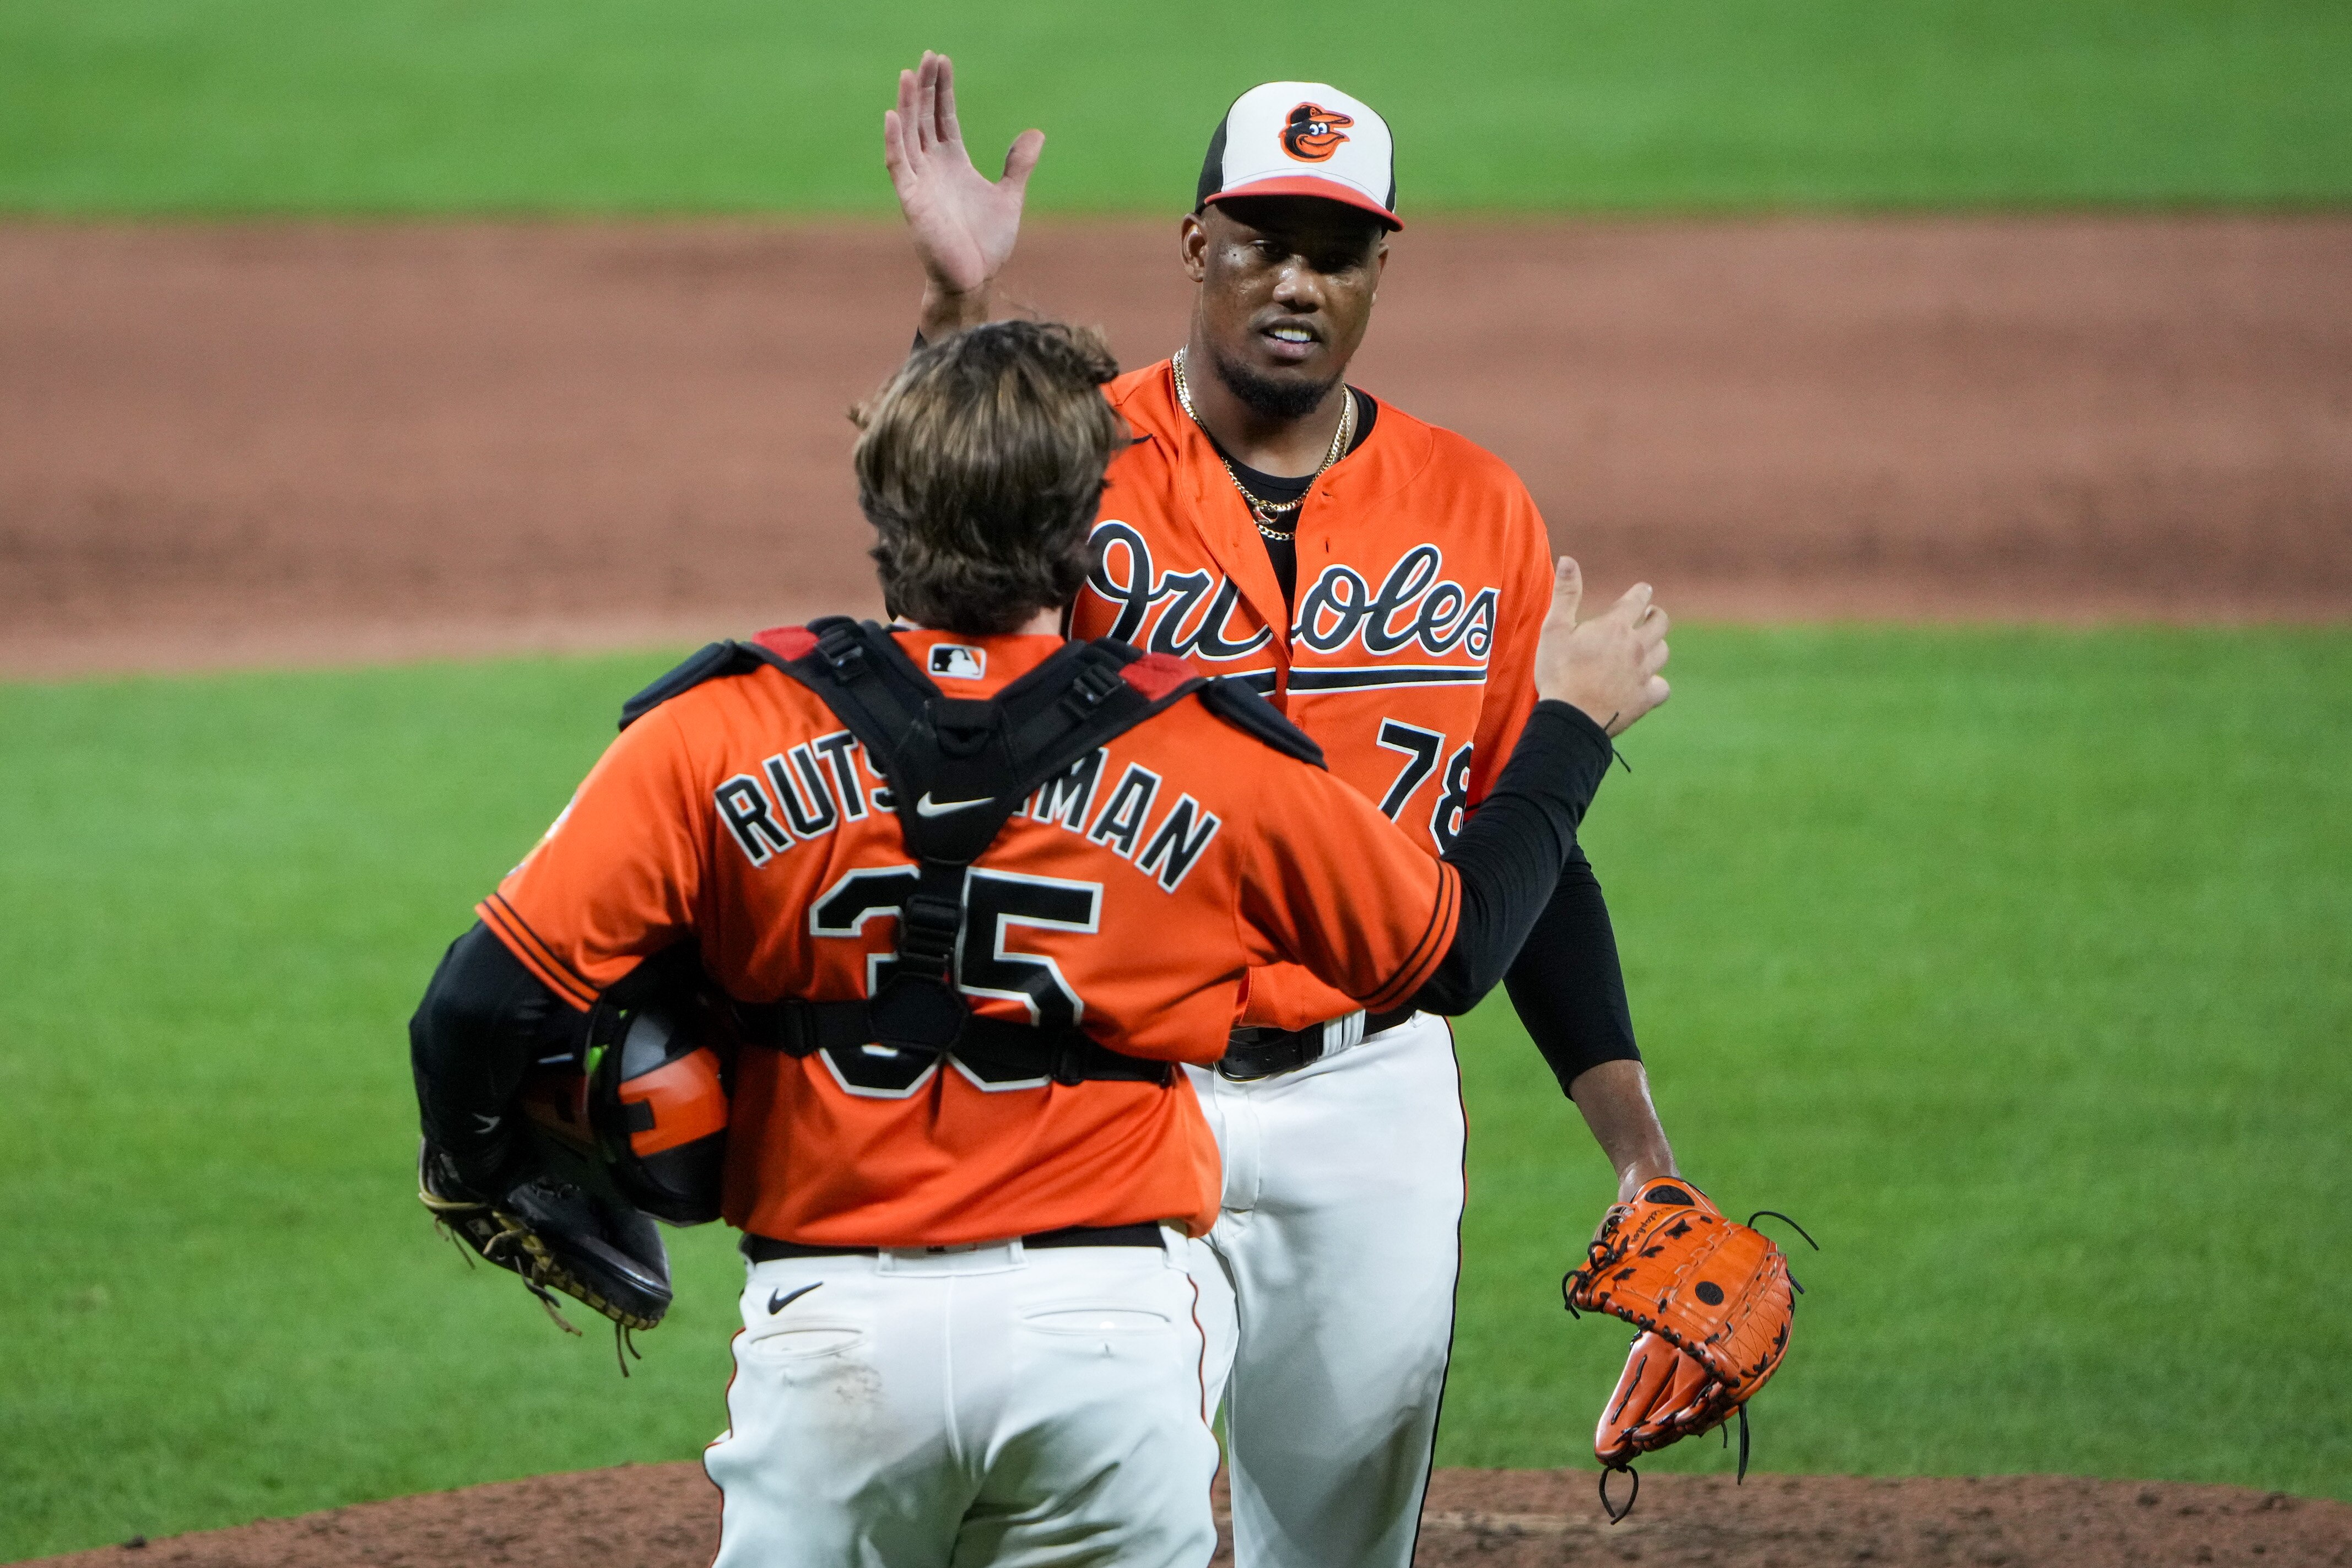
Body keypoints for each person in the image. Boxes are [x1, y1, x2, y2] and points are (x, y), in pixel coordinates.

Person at [408, 320, 1671, 1566]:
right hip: (1101, 1345)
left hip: (835, 1342)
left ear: (876, 504)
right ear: (1087, 538)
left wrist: (486, 1166)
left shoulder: (717, 728)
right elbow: (1451, 954)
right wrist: (1567, 728)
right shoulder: (1205, 756)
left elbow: (469, 1011)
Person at [883, 56, 1700, 1567]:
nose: (1292, 282)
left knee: (1333, 1545)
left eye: (1332, 250)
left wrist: (1638, 1153)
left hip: (1372, 1101)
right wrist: (952, 314)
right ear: (1195, 243)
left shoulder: (1478, 508)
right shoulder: (1074, 461)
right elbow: (935, 566)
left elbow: (1520, 847)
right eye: (1260, 239)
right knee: (1082, 1520)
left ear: (1381, 265)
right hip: (1115, 1084)